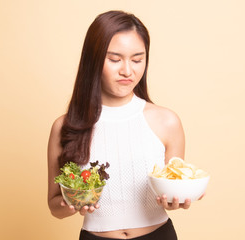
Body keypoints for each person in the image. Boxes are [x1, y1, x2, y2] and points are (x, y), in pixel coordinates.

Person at [47, 10, 203, 240]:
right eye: (114, 59)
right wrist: (72, 202)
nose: (127, 71)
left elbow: (172, 188)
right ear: (93, 60)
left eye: (137, 59)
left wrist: (175, 200)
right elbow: (54, 206)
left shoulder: (167, 121)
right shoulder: (65, 126)